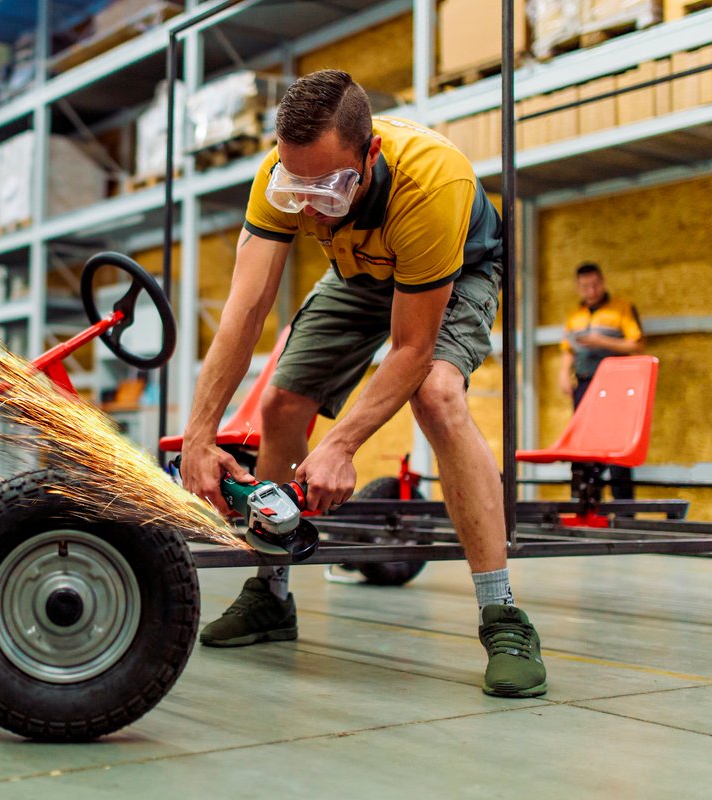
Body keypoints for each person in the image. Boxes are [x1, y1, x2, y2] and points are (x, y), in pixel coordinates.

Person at [180, 70, 546, 698]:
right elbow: (244, 314)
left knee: (436, 395)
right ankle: (269, 593)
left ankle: (503, 615)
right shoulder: (279, 178)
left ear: (370, 152)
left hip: (453, 271)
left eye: (330, 186)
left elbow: (410, 349)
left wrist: (342, 445)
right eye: (300, 188)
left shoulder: (432, 183)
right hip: (360, 272)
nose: (313, 204)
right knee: (281, 401)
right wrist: (198, 435)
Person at [558, 262, 644, 502]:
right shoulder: (575, 316)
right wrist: (564, 373)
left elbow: (636, 344)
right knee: (585, 446)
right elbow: (567, 349)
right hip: (585, 384)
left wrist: (601, 342)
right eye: (585, 286)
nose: (591, 291)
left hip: (616, 385)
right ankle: (587, 505)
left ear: (603, 282)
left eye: (595, 285)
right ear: (578, 287)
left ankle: (624, 507)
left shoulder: (622, 309)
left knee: (617, 447)